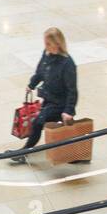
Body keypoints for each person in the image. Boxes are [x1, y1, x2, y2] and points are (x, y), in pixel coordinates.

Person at [12, 27, 79, 163]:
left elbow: (72, 90)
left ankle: (25, 151)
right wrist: (32, 84)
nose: (46, 46)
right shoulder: (47, 54)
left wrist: (68, 110)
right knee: (42, 124)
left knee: (38, 123)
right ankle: (71, 152)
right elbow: (40, 72)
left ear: (58, 44)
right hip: (48, 99)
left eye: (48, 44)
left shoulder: (67, 64)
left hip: (59, 104)